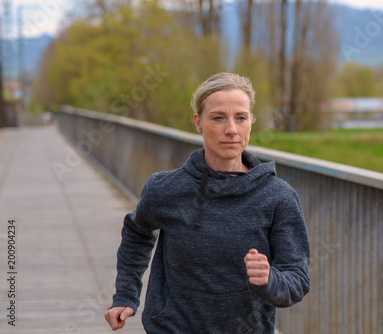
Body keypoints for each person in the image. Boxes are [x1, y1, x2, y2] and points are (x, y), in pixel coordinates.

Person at [104, 72, 310, 333]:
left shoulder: (278, 196)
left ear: (251, 122)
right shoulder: (165, 189)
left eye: (241, 118)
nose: (231, 129)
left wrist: (270, 280)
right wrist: (126, 294)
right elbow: (137, 232)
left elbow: (297, 280)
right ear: (198, 122)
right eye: (218, 118)